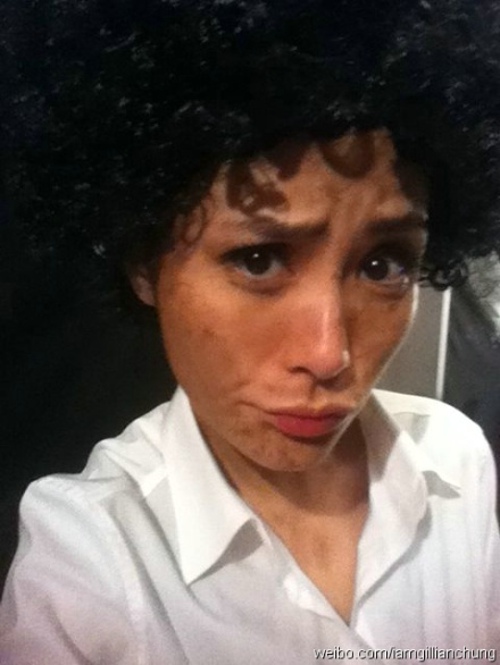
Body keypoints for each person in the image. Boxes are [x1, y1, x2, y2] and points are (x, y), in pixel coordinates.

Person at [1, 1, 500, 662]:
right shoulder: (90, 561)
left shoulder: (457, 464)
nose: (328, 354)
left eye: (383, 265)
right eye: (258, 259)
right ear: (145, 265)